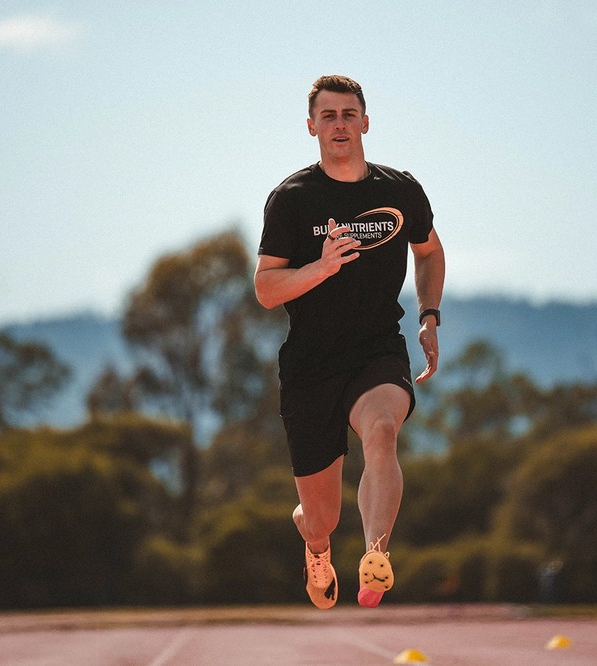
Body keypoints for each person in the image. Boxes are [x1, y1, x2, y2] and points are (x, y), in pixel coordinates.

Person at [254, 75, 445, 610]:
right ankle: (317, 547)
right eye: (328, 115)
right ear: (311, 126)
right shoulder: (291, 200)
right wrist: (319, 268)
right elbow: (266, 289)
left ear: (365, 122)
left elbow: (429, 252)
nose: (340, 124)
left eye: (349, 113)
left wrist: (429, 315)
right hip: (311, 363)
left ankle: (375, 555)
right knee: (321, 517)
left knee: (382, 430)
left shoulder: (399, 191)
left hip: (377, 349)